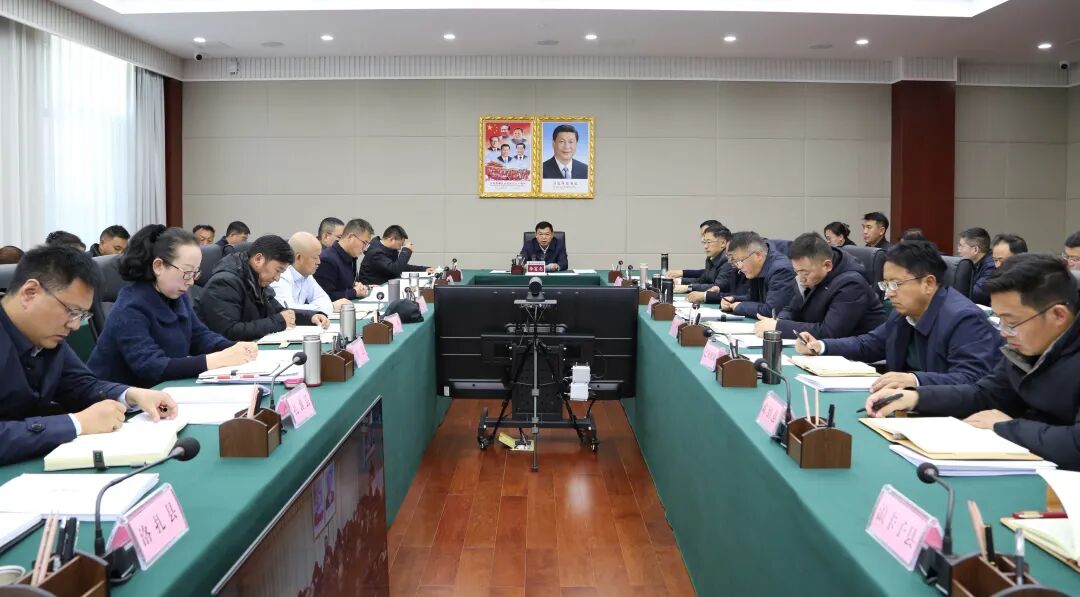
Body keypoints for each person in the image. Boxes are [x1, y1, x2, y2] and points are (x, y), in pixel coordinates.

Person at [864, 254, 1080, 470]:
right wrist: (916, 397)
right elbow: (985, 395)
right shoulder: (1026, 347)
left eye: (1011, 323)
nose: (1004, 333)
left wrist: (1004, 428)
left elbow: (1076, 445)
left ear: (1058, 315)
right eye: (1001, 320)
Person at [0, 245, 177, 465]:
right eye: (71, 311)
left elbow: (81, 385)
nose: (75, 325)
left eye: (82, 315)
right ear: (30, 293)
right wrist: (76, 423)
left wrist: (131, 395)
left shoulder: (45, 337)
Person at [796, 241, 1001, 388]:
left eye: (896, 284)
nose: (888, 293)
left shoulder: (964, 319)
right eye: (886, 284)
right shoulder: (904, 313)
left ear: (928, 283)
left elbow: (971, 379)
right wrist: (820, 346)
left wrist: (913, 380)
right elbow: (869, 344)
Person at [87, 225, 258, 387]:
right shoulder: (129, 308)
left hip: (161, 392)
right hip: (117, 400)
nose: (191, 282)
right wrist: (216, 360)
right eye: (187, 273)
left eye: (195, 273)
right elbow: (152, 367)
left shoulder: (176, 296)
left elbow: (200, 337)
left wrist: (236, 347)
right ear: (158, 266)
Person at [196, 235, 329, 341]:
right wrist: (278, 322)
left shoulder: (257, 278)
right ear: (258, 259)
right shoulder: (225, 282)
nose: (277, 278)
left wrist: (310, 317)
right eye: (278, 270)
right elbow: (229, 331)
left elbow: (278, 311)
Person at [754, 233, 885, 339]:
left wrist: (779, 326)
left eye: (805, 273)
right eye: (796, 271)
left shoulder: (852, 284)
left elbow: (830, 332)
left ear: (827, 265)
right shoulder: (811, 275)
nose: (800, 278)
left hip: (855, 356)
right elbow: (792, 309)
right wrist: (778, 320)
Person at [719, 231, 798, 318]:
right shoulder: (758, 267)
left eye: (740, 261)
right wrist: (733, 300)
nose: (739, 266)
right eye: (736, 262)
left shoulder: (781, 270)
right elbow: (754, 298)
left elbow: (772, 311)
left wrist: (739, 306)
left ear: (758, 255)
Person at [271, 232, 342, 314]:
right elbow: (289, 311)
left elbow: (324, 300)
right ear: (299, 257)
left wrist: (327, 306)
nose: (319, 262)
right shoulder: (280, 277)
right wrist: (329, 307)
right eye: (315, 257)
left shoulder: (306, 275)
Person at [314, 218, 373, 301]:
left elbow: (346, 286)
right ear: (350, 237)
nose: (365, 249)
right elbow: (325, 296)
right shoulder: (327, 260)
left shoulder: (350, 257)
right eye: (364, 243)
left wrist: (358, 287)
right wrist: (354, 292)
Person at [358, 225, 432, 286]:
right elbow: (395, 270)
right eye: (400, 244)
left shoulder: (389, 249)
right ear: (391, 239)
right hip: (373, 291)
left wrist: (424, 269)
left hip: (385, 287)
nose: (400, 247)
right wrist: (406, 251)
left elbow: (400, 266)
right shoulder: (375, 252)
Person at [680, 226, 733, 303]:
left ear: (723, 243)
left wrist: (688, 288)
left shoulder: (728, 261)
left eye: (709, 242)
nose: (705, 246)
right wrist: (680, 282)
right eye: (704, 242)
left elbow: (718, 286)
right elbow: (702, 280)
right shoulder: (710, 258)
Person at [957, 227, 995, 306]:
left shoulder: (991, 266)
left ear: (975, 250)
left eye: (961, 246)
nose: (958, 250)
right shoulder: (971, 263)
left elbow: (977, 294)